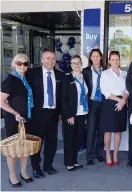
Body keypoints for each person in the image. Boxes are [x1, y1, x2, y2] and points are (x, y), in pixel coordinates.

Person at [27, 50, 64, 178]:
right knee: (37, 142)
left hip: (53, 114)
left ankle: (48, 165)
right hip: (37, 114)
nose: (50, 61)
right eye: (47, 58)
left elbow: (61, 96)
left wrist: (60, 112)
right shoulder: (31, 73)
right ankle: (36, 167)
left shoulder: (60, 75)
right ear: (42, 59)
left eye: (53, 59)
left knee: (52, 142)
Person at [1, 54, 34, 187]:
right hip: (14, 119)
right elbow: (1, 102)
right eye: (19, 63)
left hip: (26, 118)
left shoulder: (25, 78)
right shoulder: (10, 80)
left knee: (25, 147)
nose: (22, 66)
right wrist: (14, 112)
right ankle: (12, 175)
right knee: (13, 149)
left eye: (25, 64)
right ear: (14, 64)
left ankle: (24, 172)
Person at [100, 51, 129, 167]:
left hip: (122, 103)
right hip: (110, 103)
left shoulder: (124, 74)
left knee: (117, 131)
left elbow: (128, 89)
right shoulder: (105, 74)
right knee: (108, 131)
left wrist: (123, 100)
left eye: (117, 59)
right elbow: (105, 91)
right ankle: (107, 154)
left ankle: (115, 154)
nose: (115, 62)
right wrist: (119, 100)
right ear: (109, 61)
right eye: (113, 59)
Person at [61, 55, 88, 171]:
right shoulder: (66, 78)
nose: (76, 65)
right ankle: (68, 162)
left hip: (82, 113)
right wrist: (68, 115)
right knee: (69, 138)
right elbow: (62, 98)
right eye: (73, 63)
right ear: (70, 65)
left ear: (81, 64)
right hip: (71, 115)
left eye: (78, 62)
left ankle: (75, 160)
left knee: (78, 138)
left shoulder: (84, 77)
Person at [82, 49, 105, 167]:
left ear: (101, 57)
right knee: (91, 130)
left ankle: (99, 153)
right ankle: (89, 156)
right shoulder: (86, 72)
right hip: (92, 104)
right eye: (93, 56)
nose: (95, 58)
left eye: (97, 56)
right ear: (90, 58)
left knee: (101, 131)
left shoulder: (106, 71)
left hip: (104, 104)